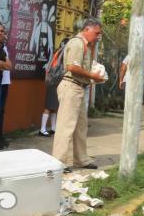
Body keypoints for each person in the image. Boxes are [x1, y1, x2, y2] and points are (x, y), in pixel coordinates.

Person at [51, 19, 105, 173]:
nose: (98, 36)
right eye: (96, 32)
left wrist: (92, 76)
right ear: (87, 29)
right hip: (71, 86)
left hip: (79, 87)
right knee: (65, 126)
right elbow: (72, 67)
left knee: (80, 126)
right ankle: (59, 161)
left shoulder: (86, 45)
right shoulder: (77, 43)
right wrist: (92, 75)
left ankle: (81, 159)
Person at [40, 38, 68, 137]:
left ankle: (53, 128)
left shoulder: (58, 53)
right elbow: (57, 69)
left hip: (55, 82)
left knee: (54, 106)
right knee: (48, 106)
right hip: (53, 82)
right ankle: (42, 129)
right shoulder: (60, 54)